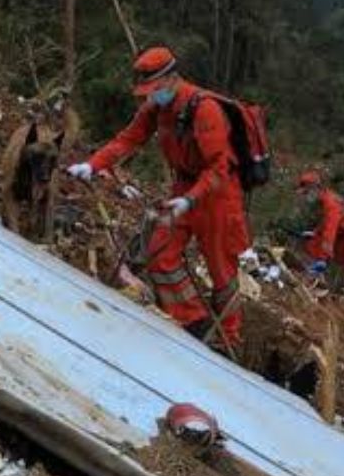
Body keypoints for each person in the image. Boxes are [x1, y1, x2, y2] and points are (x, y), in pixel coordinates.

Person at [65, 46, 250, 349]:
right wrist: (93, 164)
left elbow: (218, 167)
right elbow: (128, 139)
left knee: (221, 270)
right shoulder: (155, 108)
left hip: (217, 195)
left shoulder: (205, 109)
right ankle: (194, 323)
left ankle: (229, 341)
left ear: (173, 78)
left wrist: (191, 199)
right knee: (159, 252)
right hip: (183, 190)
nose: (151, 95)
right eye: (147, 90)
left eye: (155, 88)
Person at [294, 170, 344, 311]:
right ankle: (314, 282)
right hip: (343, 239)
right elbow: (327, 224)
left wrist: (323, 257)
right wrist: (315, 233)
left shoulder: (330, 203)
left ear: (314, 189)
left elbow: (331, 228)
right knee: (312, 246)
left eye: (306, 193)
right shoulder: (327, 199)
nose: (305, 197)